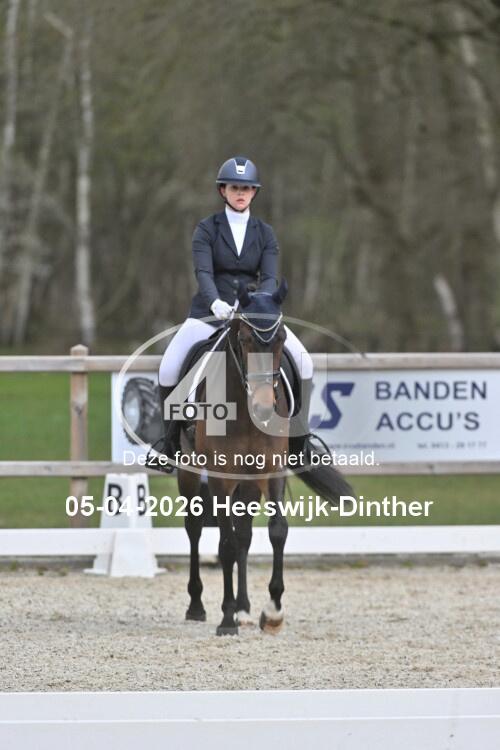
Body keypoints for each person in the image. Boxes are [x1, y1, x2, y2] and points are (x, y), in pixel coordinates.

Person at [156, 156, 314, 471]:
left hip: (255, 315)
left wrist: (258, 305)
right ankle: (169, 443)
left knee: (305, 362)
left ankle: (300, 441)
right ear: (223, 191)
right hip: (209, 313)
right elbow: (203, 272)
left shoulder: (265, 233)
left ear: (254, 192)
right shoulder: (207, 229)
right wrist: (215, 302)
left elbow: (269, 277)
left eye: (246, 188)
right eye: (234, 188)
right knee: (168, 367)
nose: (240, 193)